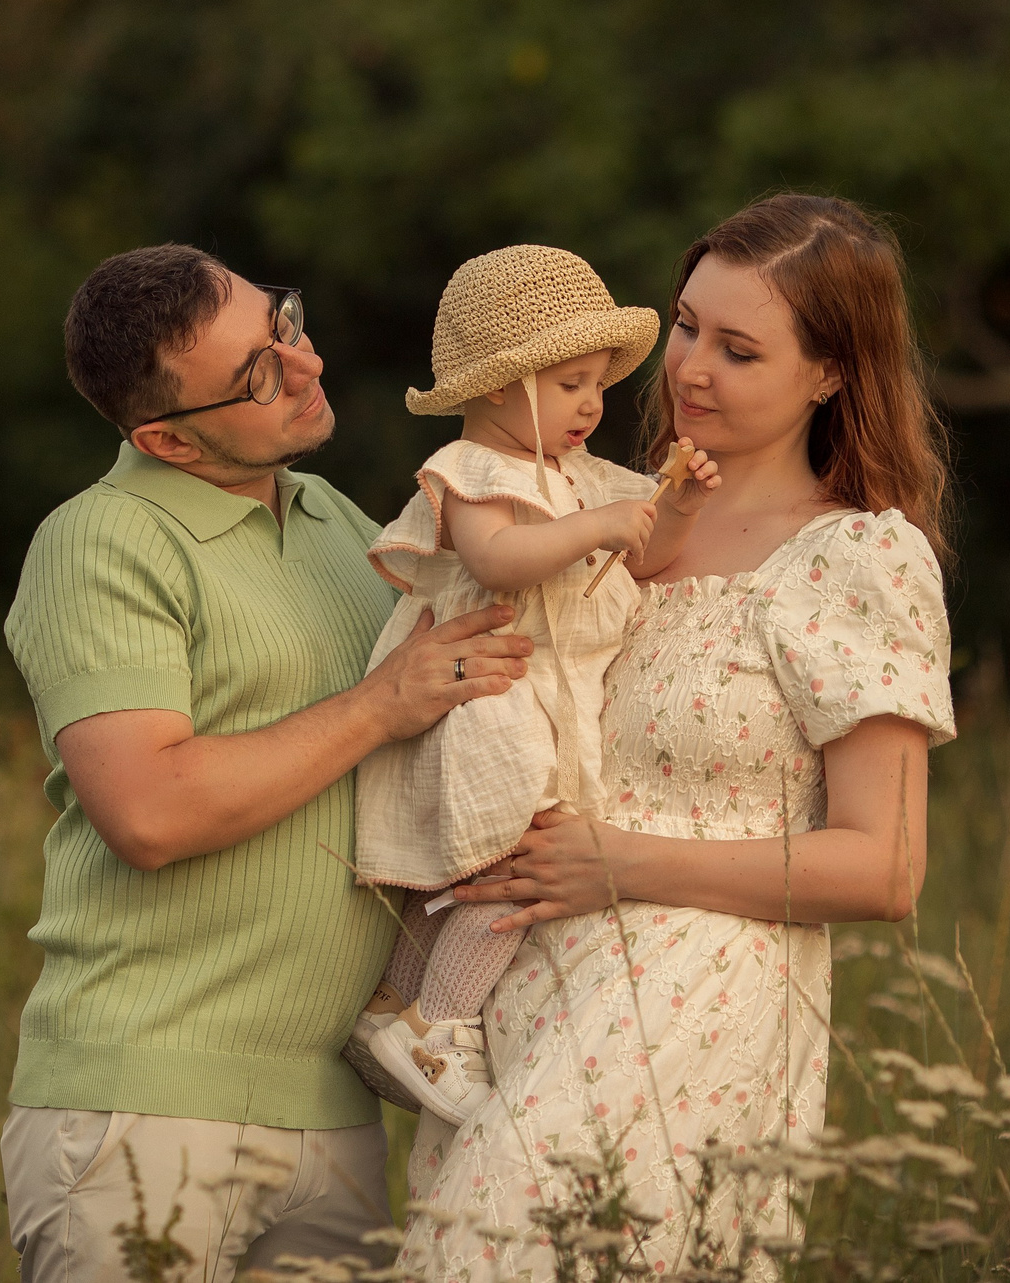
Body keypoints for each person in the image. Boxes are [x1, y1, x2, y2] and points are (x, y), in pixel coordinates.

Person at [402, 195, 957, 1281]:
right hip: (518, 997)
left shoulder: (852, 562)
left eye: (740, 350)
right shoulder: (593, 511)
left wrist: (624, 864)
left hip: (690, 1007)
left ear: (830, 375)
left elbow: (886, 868)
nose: (689, 368)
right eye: (688, 326)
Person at [0, 244, 534, 1283]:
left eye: (283, 324)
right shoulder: (102, 541)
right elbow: (150, 811)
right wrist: (380, 704)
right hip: (143, 1108)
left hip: (334, 1111)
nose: (308, 364)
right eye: (257, 373)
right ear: (166, 439)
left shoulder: (335, 519)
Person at [345, 246, 719, 1126]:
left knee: (468, 871)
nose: (593, 403)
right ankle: (441, 1022)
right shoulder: (473, 472)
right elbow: (499, 559)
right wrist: (592, 523)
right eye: (570, 384)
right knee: (513, 869)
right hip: (489, 701)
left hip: (545, 709)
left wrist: (679, 508)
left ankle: (389, 1007)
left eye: (597, 383)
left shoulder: (581, 474)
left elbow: (646, 552)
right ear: (499, 388)